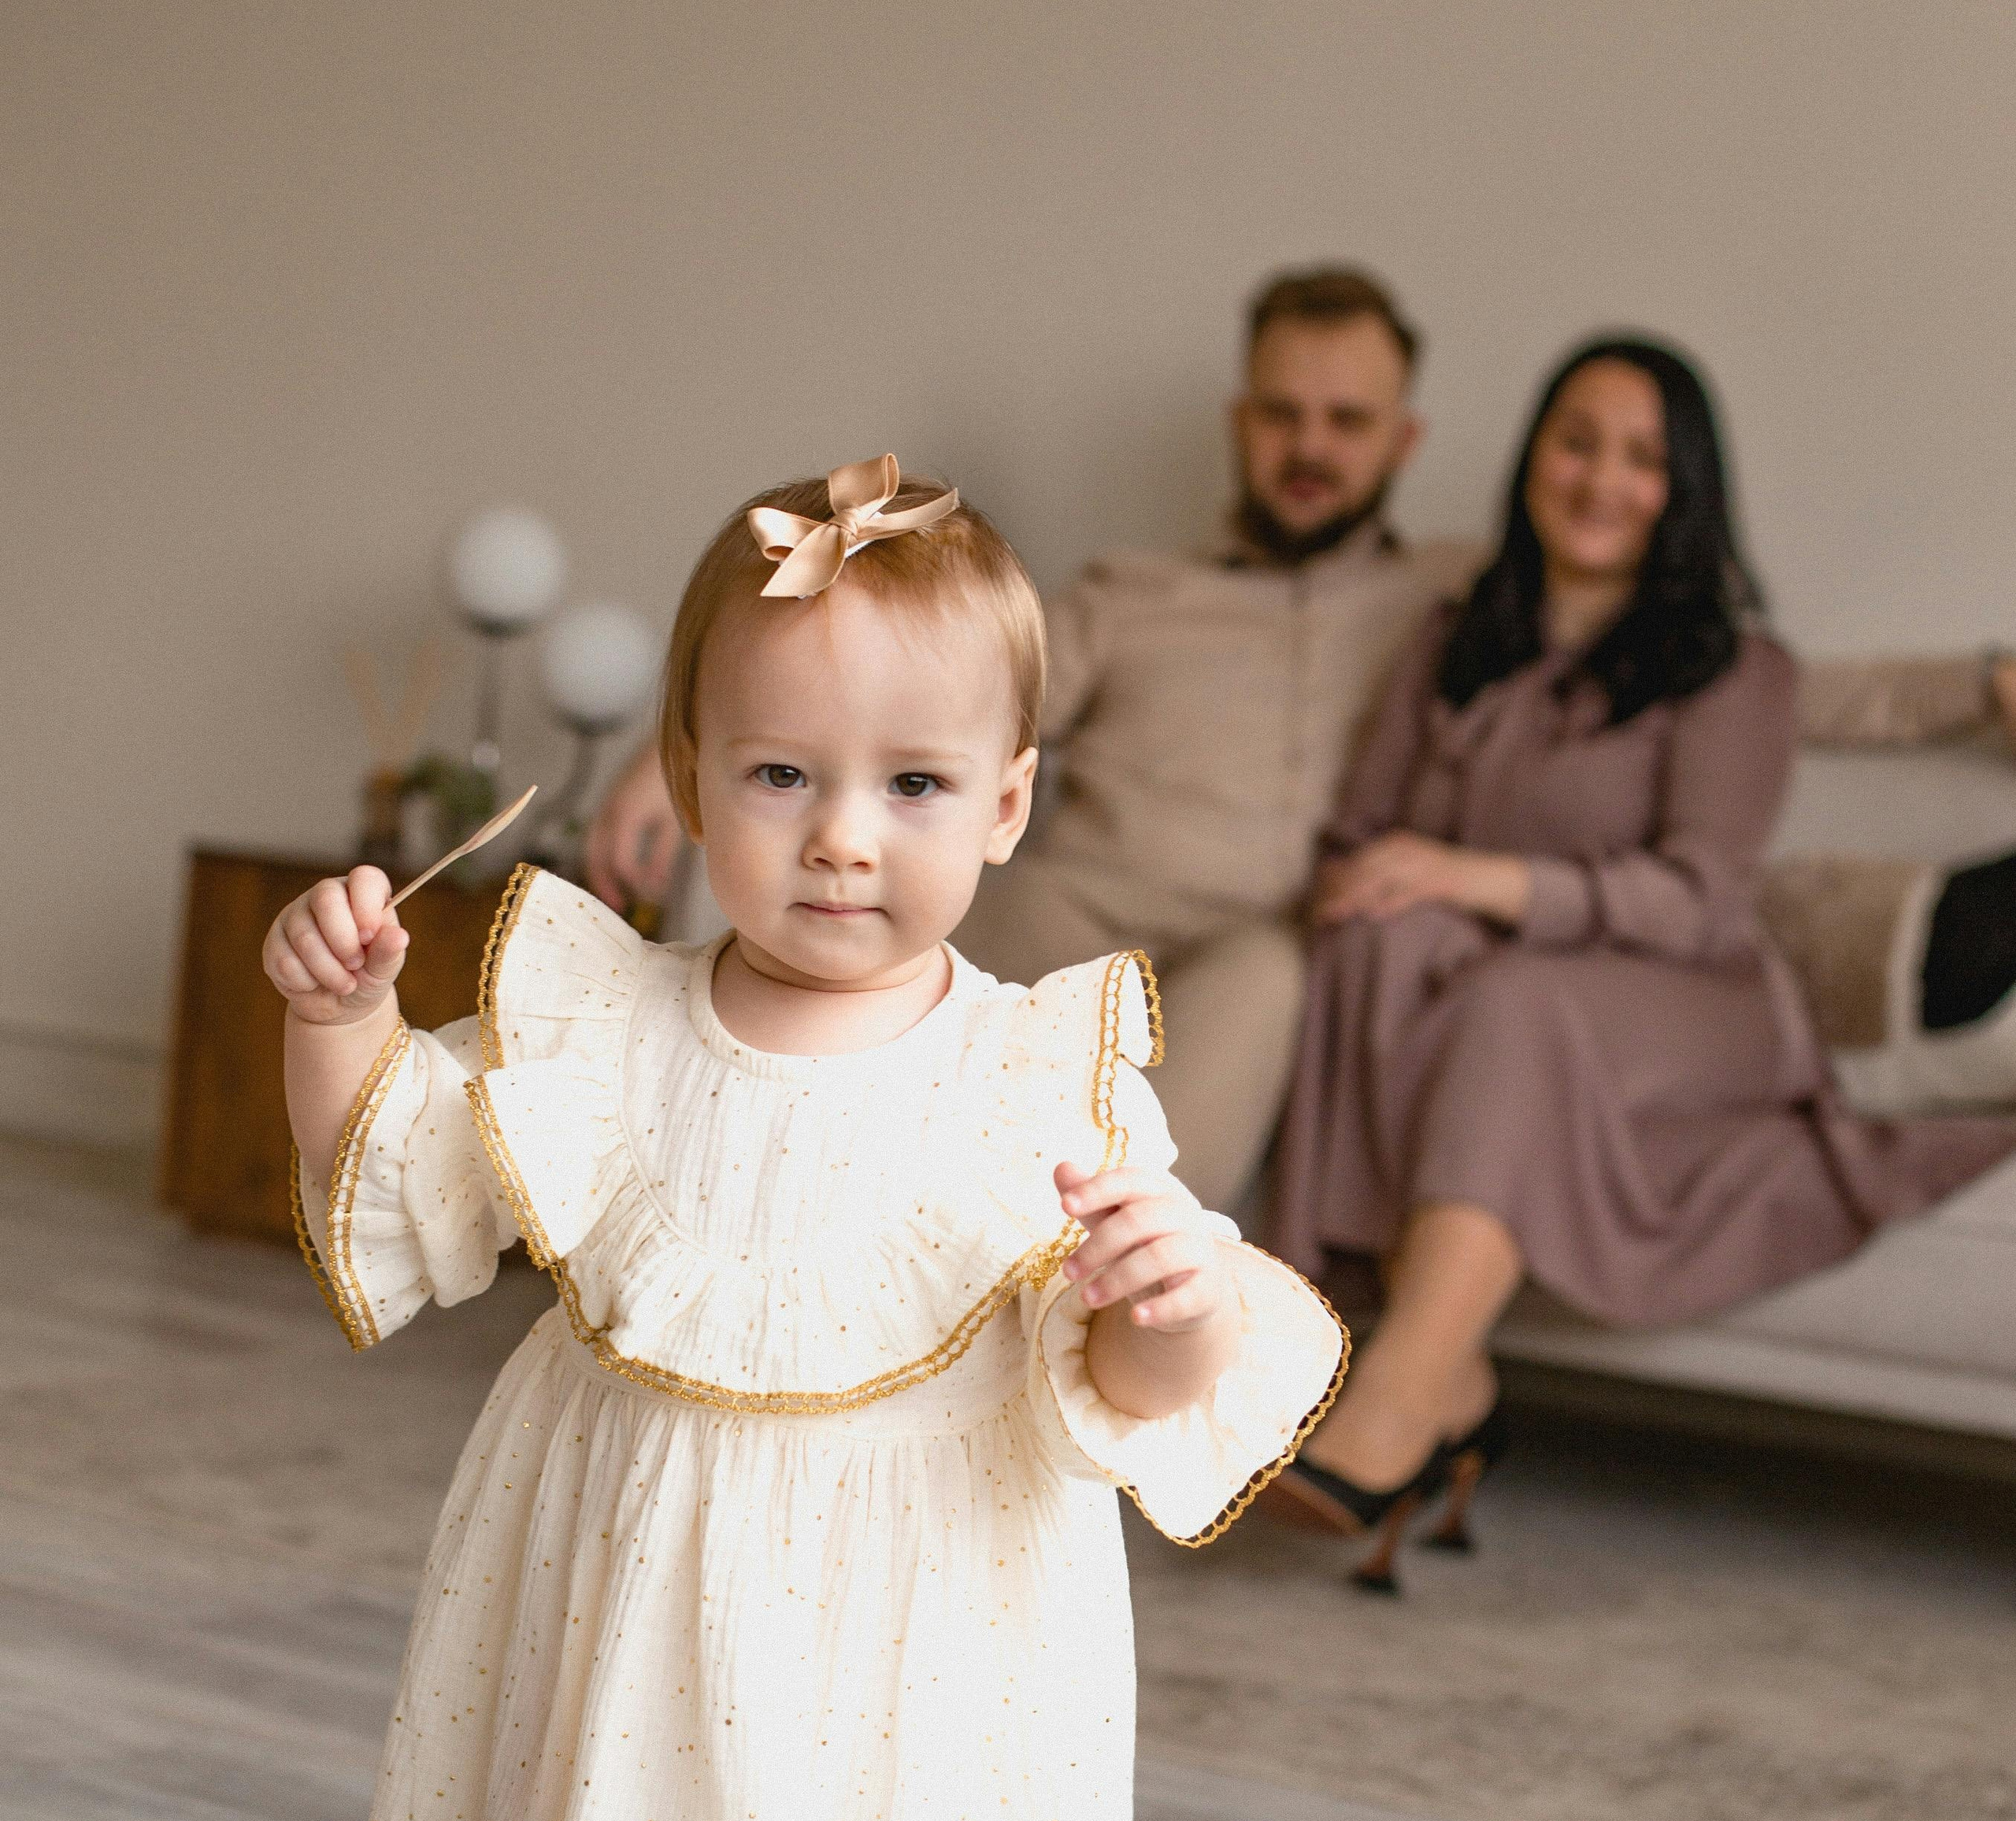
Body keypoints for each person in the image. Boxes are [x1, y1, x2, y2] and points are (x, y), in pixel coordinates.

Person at [261, 456, 1340, 1821]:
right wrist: (334, 1020)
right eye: (781, 769)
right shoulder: (603, 1027)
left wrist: (1169, 1307)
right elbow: (392, 1196)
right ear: (684, 773)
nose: (845, 832)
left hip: (932, 1675)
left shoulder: (1047, 1078)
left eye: (916, 783)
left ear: (1011, 800)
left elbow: (1138, 1400)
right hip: (623, 1643)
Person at [584, 268, 2014, 1218]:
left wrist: (1980, 685)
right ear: (1241, 421)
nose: (1310, 446)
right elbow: (904, 691)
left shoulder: (1462, 595)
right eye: (1283, 414)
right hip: (1079, 908)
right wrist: (679, 751)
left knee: (1278, 970)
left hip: (1265, 951)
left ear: (1404, 439)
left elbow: (1762, 681)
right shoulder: (1134, 595)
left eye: (1347, 420)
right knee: (965, 921)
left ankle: (1094, 1302)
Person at [1263, 341, 2010, 1590]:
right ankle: (1450, 1379)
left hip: (1693, 1003)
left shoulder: (1735, 669)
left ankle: (1399, 1389)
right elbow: (1364, 841)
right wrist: (1403, 888)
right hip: (1495, 989)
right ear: (1531, 459)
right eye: (1577, 442)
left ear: (1688, 489)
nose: (1601, 478)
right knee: (1375, 943)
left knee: (1508, 998)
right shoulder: (1457, 637)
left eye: (1643, 457)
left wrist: (1473, 880)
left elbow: (1700, 901)